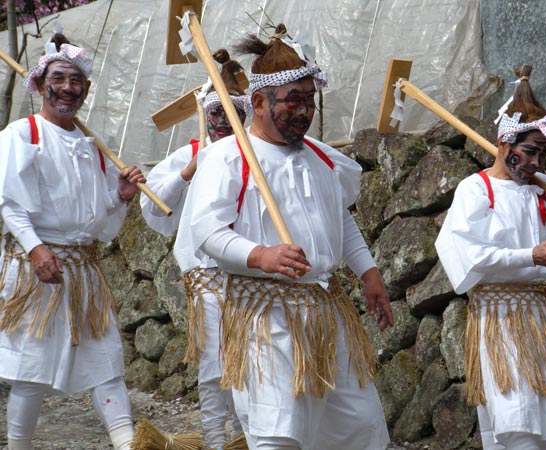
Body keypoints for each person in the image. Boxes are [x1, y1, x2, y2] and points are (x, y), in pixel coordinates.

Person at [178, 24, 394, 450]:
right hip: (264, 317)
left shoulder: (322, 158)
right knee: (278, 433)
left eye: (308, 100)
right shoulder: (228, 156)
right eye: (292, 100)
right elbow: (206, 230)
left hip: (326, 312)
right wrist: (260, 255)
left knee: (361, 427)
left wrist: (369, 272)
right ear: (258, 102)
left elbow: (341, 221)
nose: (303, 111)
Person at [435, 64, 546, 450]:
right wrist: (529, 256)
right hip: (500, 319)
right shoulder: (475, 189)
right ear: (504, 144)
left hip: (545, 320)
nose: (536, 163)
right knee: (517, 424)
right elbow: (469, 254)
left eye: (542, 154)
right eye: (528, 152)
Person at [0, 33, 146, 450]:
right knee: (32, 371)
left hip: (83, 271)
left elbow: (99, 226)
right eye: (59, 77)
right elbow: (8, 201)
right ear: (41, 84)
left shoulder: (92, 148)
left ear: (85, 89)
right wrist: (35, 248)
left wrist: (118, 196)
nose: (68, 87)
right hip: (36, 271)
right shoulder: (21, 133)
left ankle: (127, 444)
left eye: (77, 80)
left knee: (106, 363)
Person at [140, 49, 249, 448]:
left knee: (250, 363)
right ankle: (215, 440)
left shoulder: (251, 153)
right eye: (216, 113)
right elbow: (154, 205)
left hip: (250, 274)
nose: (222, 121)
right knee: (213, 364)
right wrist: (190, 170)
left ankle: (246, 438)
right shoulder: (187, 154)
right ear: (205, 113)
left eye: (232, 113)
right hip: (205, 278)